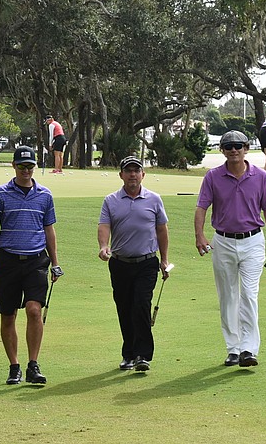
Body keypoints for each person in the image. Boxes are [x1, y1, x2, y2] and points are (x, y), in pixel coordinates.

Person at [194, 130, 266, 368]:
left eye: (238, 145)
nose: (234, 150)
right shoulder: (213, 177)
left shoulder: (261, 177)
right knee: (228, 296)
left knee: (249, 295)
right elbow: (202, 207)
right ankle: (233, 348)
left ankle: (248, 349)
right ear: (222, 150)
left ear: (246, 149)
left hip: (253, 241)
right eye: (229, 146)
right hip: (223, 241)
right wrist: (199, 235)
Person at [0, 145, 63, 385]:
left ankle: (33, 365)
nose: (26, 170)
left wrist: (55, 262)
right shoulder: (1, 194)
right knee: (8, 315)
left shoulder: (45, 195)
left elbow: (49, 230)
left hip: (36, 260)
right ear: (13, 166)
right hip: (8, 261)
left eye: (30, 166)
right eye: (21, 166)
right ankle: (14, 366)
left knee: (34, 310)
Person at [98, 156, 170, 372]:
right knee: (125, 308)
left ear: (143, 175)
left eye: (136, 171)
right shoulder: (111, 200)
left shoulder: (154, 199)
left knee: (141, 304)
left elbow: (162, 230)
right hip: (120, 263)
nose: (132, 175)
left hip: (146, 263)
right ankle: (128, 354)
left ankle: (142, 355)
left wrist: (164, 260)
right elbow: (104, 226)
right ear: (121, 175)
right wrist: (103, 246)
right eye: (128, 171)